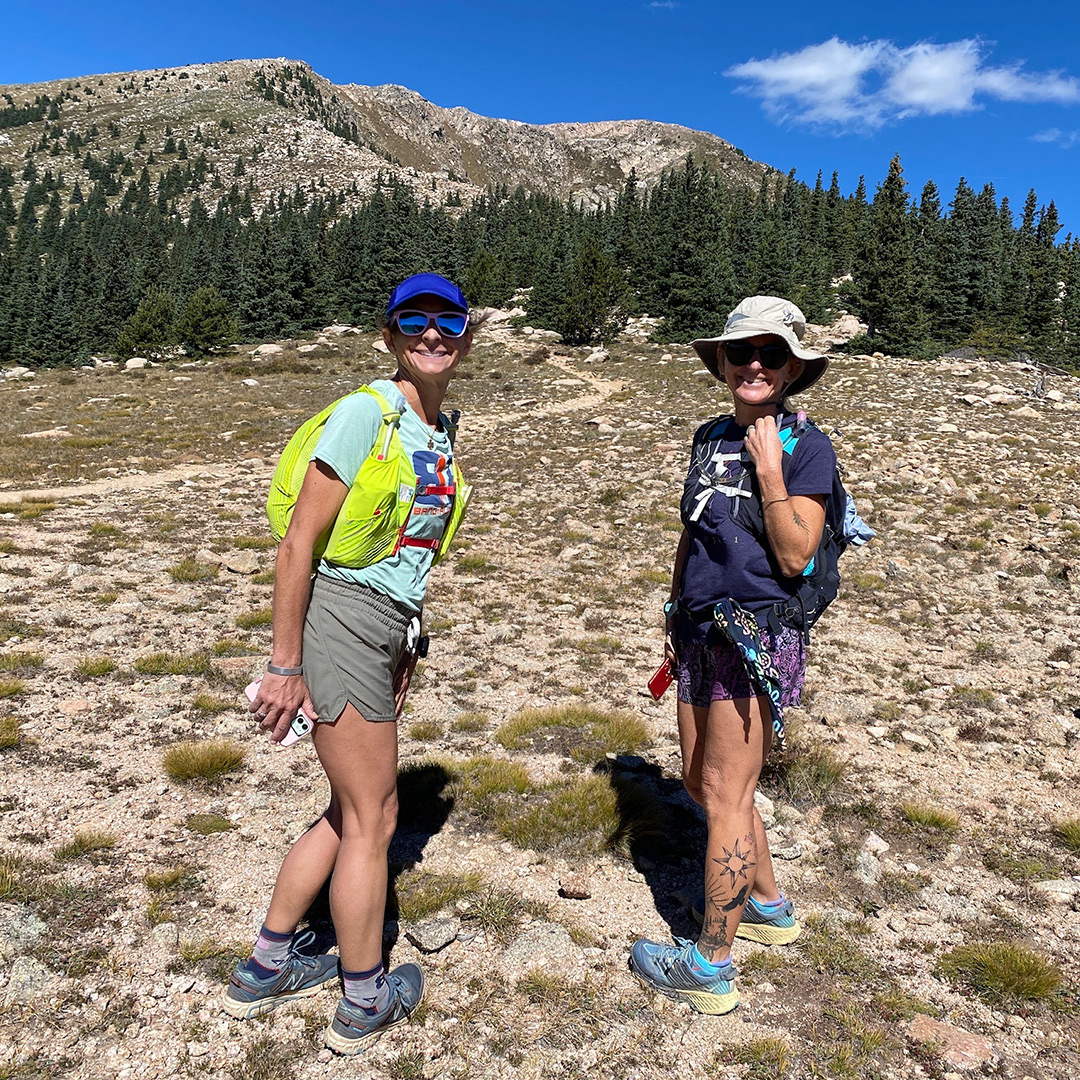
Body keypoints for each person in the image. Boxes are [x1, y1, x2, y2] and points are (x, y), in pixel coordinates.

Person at [221, 273, 479, 1054]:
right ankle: (364, 997)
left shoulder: (433, 430)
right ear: (390, 333)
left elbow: (411, 555)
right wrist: (285, 664)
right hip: (338, 618)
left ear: (467, 336)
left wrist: (409, 641)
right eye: (415, 320)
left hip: (380, 628)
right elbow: (299, 543)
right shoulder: (367, 413)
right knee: (377, 816)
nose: (432, 334)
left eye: (449, 321)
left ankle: (266, 966)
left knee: (348, 808)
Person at [630, 296, 835, 1015]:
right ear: (721, 361)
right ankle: (769, 907)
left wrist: (771, 469)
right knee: (698, 780)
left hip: (755, 633)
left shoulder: (809, 447)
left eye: (769, 355)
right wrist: (670, 604)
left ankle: (710, 963)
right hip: (697, 626)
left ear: (789, 372)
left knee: (726, 792)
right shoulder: (706, 435)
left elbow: (796, 551)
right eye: (740, 352)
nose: (753, 364)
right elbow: (692, 532)